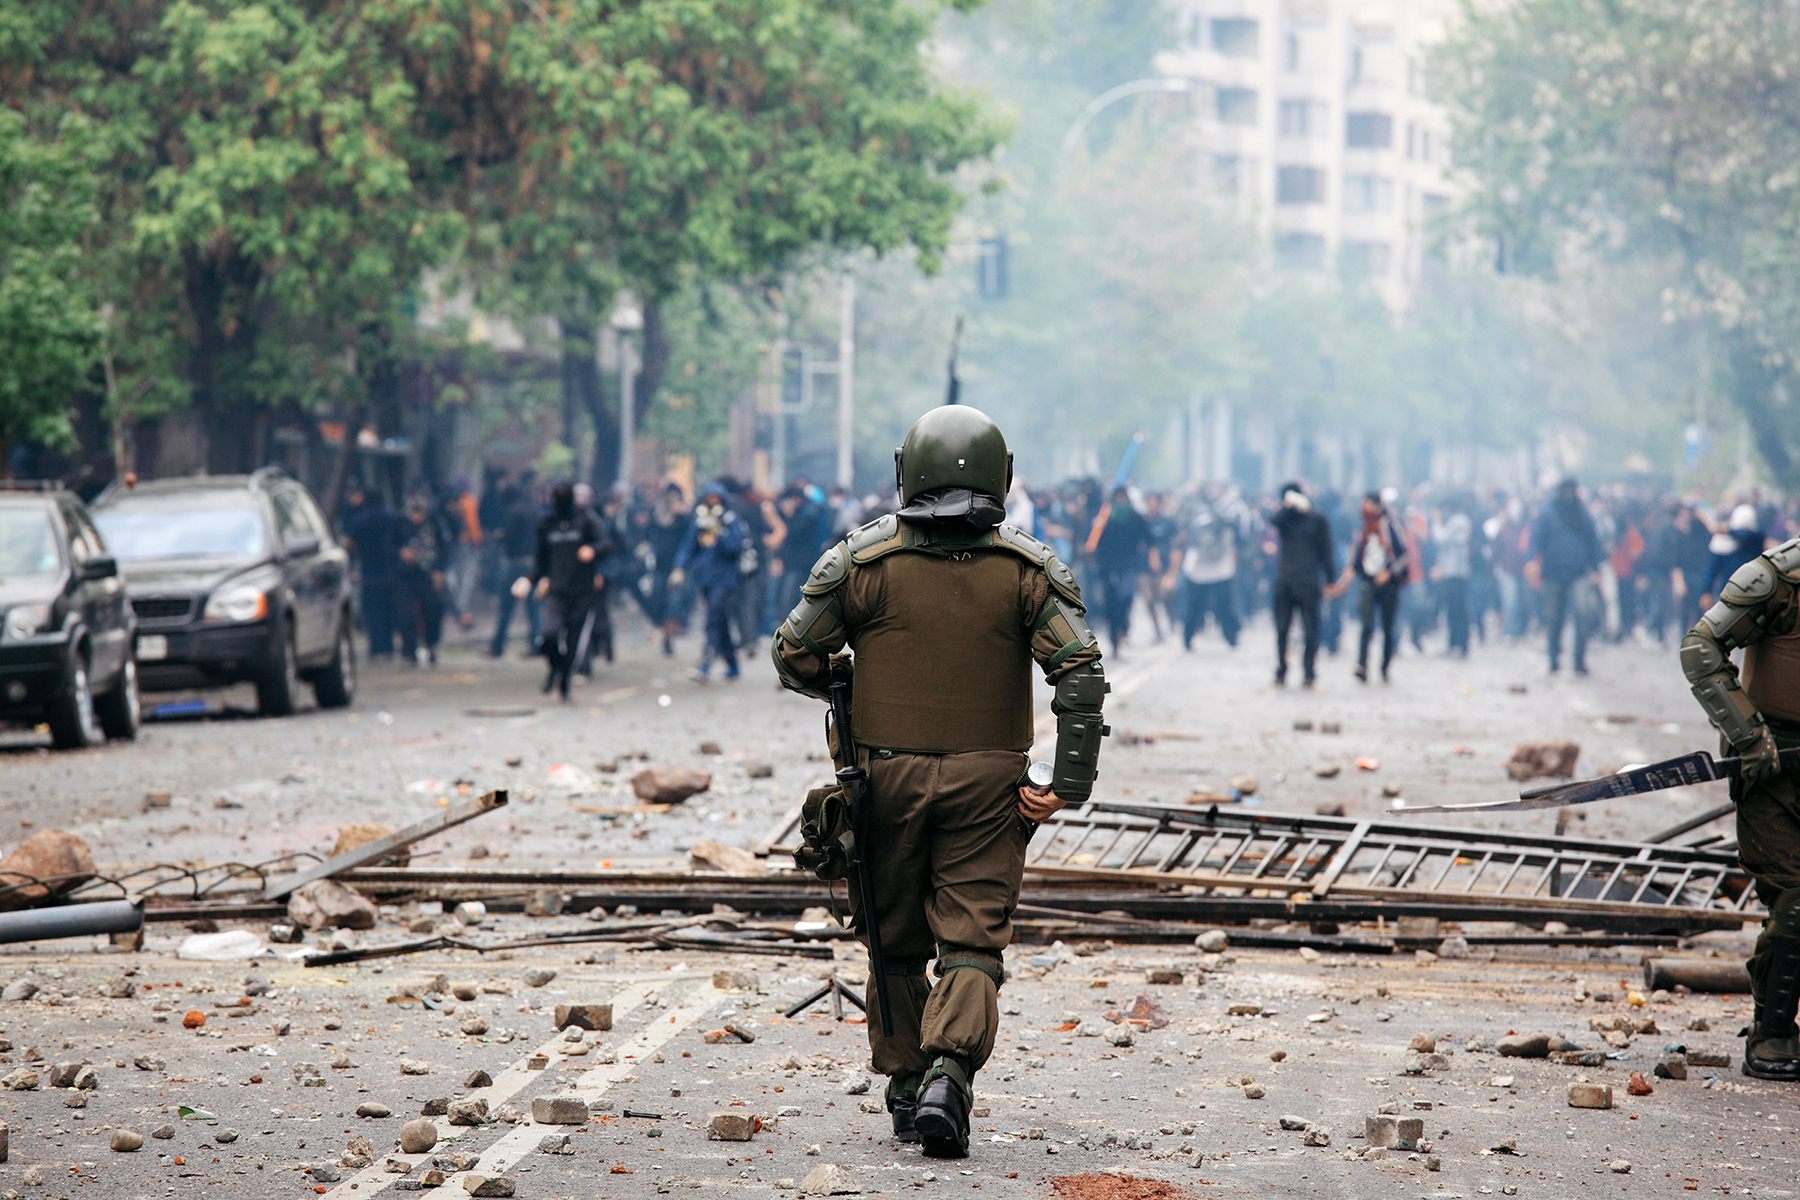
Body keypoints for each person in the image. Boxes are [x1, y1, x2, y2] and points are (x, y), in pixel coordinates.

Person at [771, 405, 1106, 1159]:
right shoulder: (1029, 571)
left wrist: (848, 676)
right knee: (971, 941)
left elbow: (794, 653)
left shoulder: (861, 564)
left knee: (892, 939)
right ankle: (949, 1075)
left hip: (884, 776)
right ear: (1003, 474)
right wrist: (1067, 782)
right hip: (992, 785)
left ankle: (904, 1085)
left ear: (905, 470)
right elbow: (1079, 673)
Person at [1681, 533, 1800, 1080]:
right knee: (1796, 901)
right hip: (1777, 766)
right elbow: (1700, 647)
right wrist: (1749, 736)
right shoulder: (1779, 580)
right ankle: (1772, 1035)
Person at [515, 480, 608, 698]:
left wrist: (592, 550)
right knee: (549, 635)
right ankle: (555, 668)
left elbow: (606, 544)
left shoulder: (585, 519)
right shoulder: (547, 523)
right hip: (556, 589)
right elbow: (540, 561)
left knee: (574, 639)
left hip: (582, 589)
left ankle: (564, 679)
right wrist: (529, 581)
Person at [670, 483, 747, 682]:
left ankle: (705, 663)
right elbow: (688, 547)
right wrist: (680, 568)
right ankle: (732, 664)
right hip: (706, 578)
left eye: (716, 500)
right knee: (719, 621)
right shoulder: (700, 522)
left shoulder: (731, 521)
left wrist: (719, 532)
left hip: (725, 579)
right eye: (709, 500)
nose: (712, 503)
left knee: (713, 617)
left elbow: (735, 548)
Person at [1331, 491, 1410, 683]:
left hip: (1388, 584)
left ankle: (1384, 667)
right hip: (1368, 581)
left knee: (1387, 627)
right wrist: (1343, 582)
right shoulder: (1363, 527)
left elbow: (1404, 555)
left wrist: (1389, 572)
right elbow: (1356, 560)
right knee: (1366, 625)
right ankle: (1362, 665)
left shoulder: (1390, 526)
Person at [1531, 478, 1604, 675]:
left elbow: (1593, 542)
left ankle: (1579, 660)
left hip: (1578, 573)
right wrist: (1531, 560)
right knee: (1554, 619)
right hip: (1552, 574)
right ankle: (1553, 658)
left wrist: (1596, 569)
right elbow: (1535, 538)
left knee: (1583, 615)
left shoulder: (1583, 513)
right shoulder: (1548, 512)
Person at [1269, 482, 1335, 687]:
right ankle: (1282, 668)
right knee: (1282, 629)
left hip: (1308, 581)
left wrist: (1330, 579)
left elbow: (1326, 551)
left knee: (1310, 630)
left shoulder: (1317, 519)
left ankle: (1309, 671)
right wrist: (1289, 508)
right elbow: (1274, 521)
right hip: (1285, 580)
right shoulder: (1285, 519)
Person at [1089, 486, 1151, 656]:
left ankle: (1124, 627)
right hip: (1107, 566)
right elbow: (1092, 543)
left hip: (1129, 565)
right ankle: (1113, 637)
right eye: (1118, 497)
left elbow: (1148, 539)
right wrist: (1097, 527)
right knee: (1109, 602)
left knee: (1126, 596)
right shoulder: (1103, 518)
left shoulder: (1136, 518)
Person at [341, 486, 400, 661]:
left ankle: (377, 649)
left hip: (369, 572)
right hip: (390, 571)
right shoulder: (392, 516)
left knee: (373, 612)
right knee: (389, 611)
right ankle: (389, 648)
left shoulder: (361, 519)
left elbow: (349, 543)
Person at [1176, 495, 1241, 649]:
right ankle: (1187, 638)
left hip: (1222, 570)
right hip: (1199, 571)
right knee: (1194, 607)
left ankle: (1231, 637)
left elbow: (1236, 545)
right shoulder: (1199, 525)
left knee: (1226, 606)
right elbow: (1191, 543)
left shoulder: (1231, 526)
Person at [396, 491, 453, 667]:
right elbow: (389, 546)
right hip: (405, 576)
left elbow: (444, 548)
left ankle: (431, 646)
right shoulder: (399, 523)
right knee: (406, 615)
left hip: (428, 574)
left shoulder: (434, 523)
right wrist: (401, 552)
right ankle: (409, 652)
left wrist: (440, 571)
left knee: (432, 610)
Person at [490, 478, 542, 656]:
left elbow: (510, 537)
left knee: (506, 605)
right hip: (534, 563)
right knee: (534, 607)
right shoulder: (533, 510)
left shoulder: (513, 511)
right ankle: (537, 645)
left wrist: (500, 537)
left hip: (517, 563)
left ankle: (497, 646)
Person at [1433, 497, 1474, 658]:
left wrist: (1436, 523)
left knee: (1457, 611)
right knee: (1453, 611)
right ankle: (1455, 644)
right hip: (1454, 572)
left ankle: (1459, 645)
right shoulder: (1461, 521)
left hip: (1455, 572)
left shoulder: (1458, 521)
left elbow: (1441, 539)